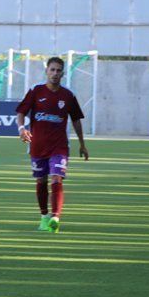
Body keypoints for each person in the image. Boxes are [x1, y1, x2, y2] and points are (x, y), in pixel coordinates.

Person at [16, 57, 89, 233]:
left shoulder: (68, 95)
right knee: (41, 181)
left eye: (58, 70)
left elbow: (76, 120)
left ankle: (55, 217)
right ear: (47, 71)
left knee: (56, 178)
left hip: (59, 146)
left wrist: (82, 144)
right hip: (37, 146)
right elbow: (21, 111)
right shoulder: (36, 91)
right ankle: (44, 217)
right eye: (52, 70)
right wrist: (21, 129)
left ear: (63, 73)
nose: (55, 73)